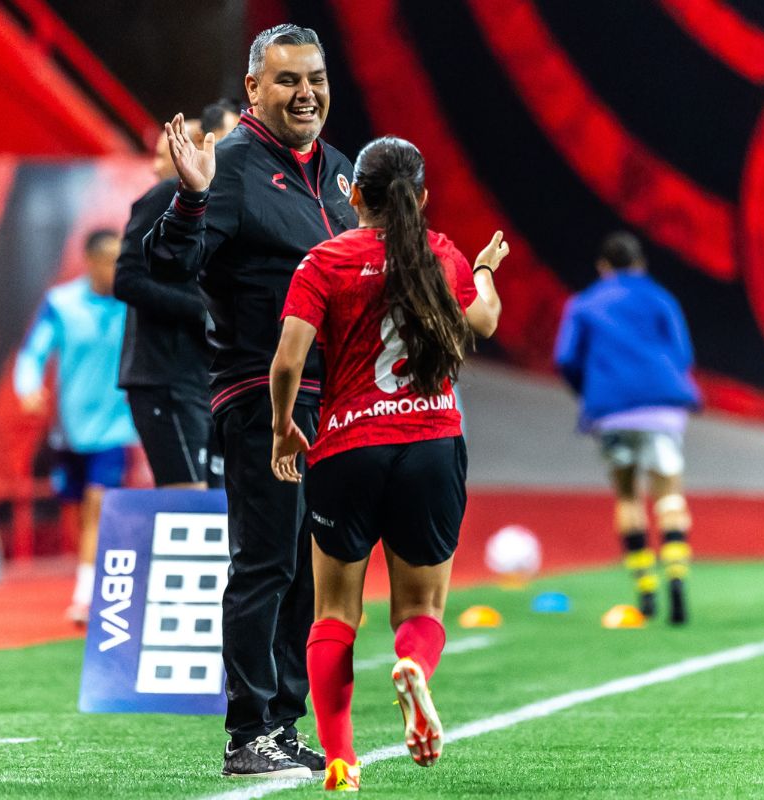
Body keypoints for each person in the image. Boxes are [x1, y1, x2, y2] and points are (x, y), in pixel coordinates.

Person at [147, 23, 358, 779]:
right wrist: (192, 199)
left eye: (316, 79)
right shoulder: (230, 167)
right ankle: (247, 733)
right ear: (255, 91)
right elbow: (169, 262)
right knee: (266, 561)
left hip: (339, 401)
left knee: (310, 568)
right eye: (288, 81)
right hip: (264, 398)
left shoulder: (339, 173)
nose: (306, 93)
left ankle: (282, 723)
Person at [269, 136, 505, 792]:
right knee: (422, 606)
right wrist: (484, 269)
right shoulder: (441, 254)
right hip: (430, 443)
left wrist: (284, 428)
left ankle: (341, 761)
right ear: (422, 198)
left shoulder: (324, 260)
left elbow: (288, 360)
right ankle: (414, 670)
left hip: (346, 448)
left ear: (352, 195)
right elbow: (484, 320)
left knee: (334, 613)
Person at [553, 231, 700, 624]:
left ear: (603, 267)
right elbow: (683, 353)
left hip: (612, 412)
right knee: (668, 494)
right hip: (662, 410)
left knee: (627, 497)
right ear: (640, 265)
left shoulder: (583, 304)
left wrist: (593, 392)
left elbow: (566, 358)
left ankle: (646, 591)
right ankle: (677, 581)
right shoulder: (661, 298)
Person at [14, 228, 138, 624]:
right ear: (91, 261)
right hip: (70, 431)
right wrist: (28, 388)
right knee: (83, 512)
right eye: (110, 261)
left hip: (117, 428)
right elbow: (33, 353)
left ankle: (88, 596)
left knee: (99, 507)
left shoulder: (136, 303)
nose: (117, 269)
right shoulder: (61, 303)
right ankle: (95, 577)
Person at [117, 118, 222, 489]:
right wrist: (201, 309)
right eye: (164, 154)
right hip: (165, 376)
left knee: (216, 503)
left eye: (163, 155)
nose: (157, 165)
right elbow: (125, 279)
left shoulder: (219, 202)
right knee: (189, 500)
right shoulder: (166, 194)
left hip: (203, 378)